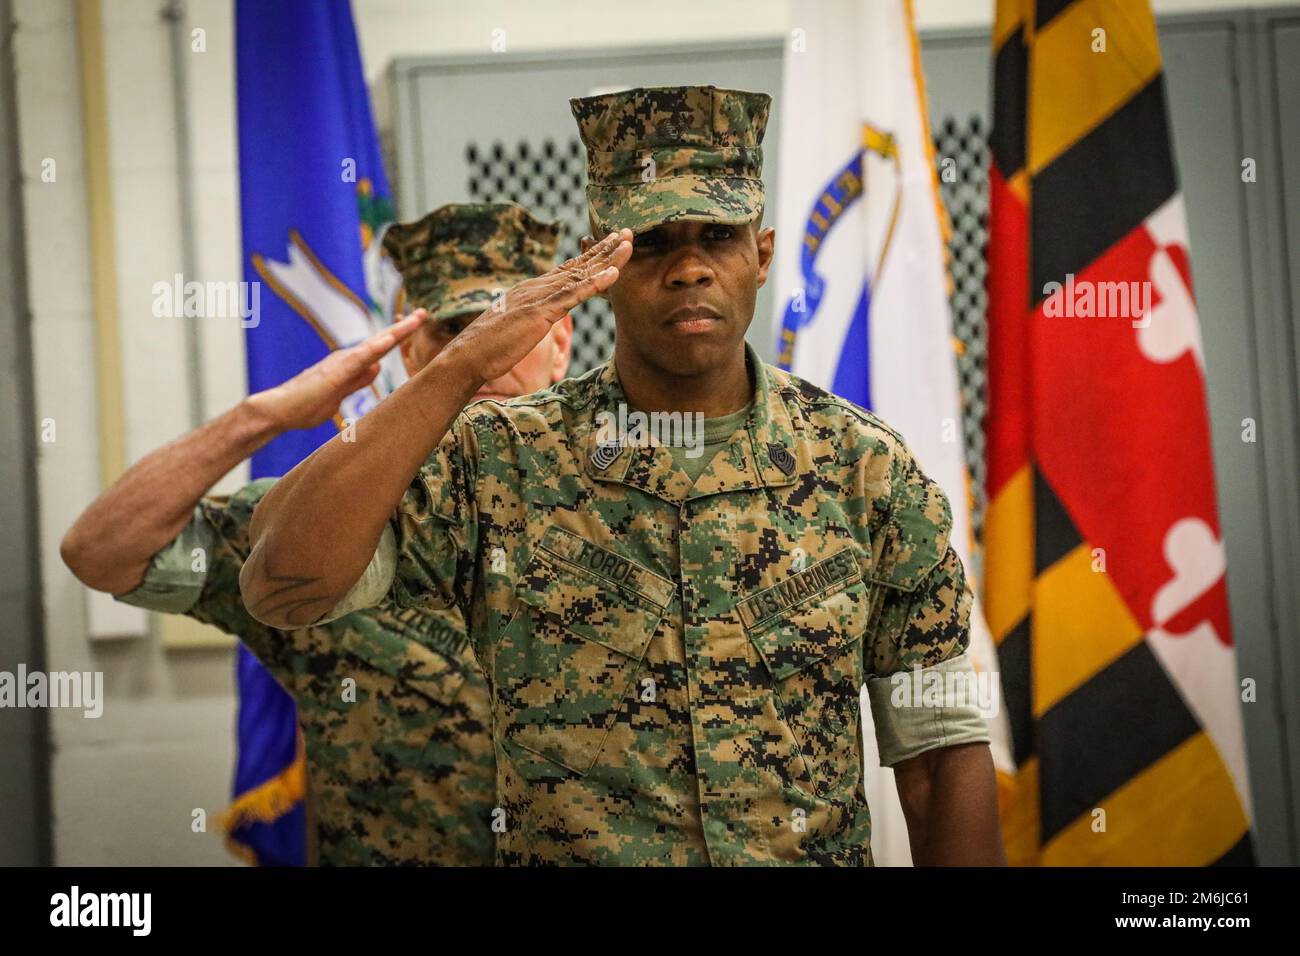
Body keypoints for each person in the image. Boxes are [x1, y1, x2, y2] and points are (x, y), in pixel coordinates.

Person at [241, 86, 1005, 866]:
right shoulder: (497, 461)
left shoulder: (864, 470)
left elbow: (942, 759)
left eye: (718, 236)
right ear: (598, 262)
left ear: (763, 255)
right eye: (652, 242)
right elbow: (283, 583)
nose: (689, 270)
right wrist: (465, 360)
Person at [61, 202, 571, 866]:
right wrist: (260, 417)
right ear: (409, 350)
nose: (479, 360)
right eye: (454, 333)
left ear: (559, 345)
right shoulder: (323, 527)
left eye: (503, 332)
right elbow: (101, 552)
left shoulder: (629, 505)